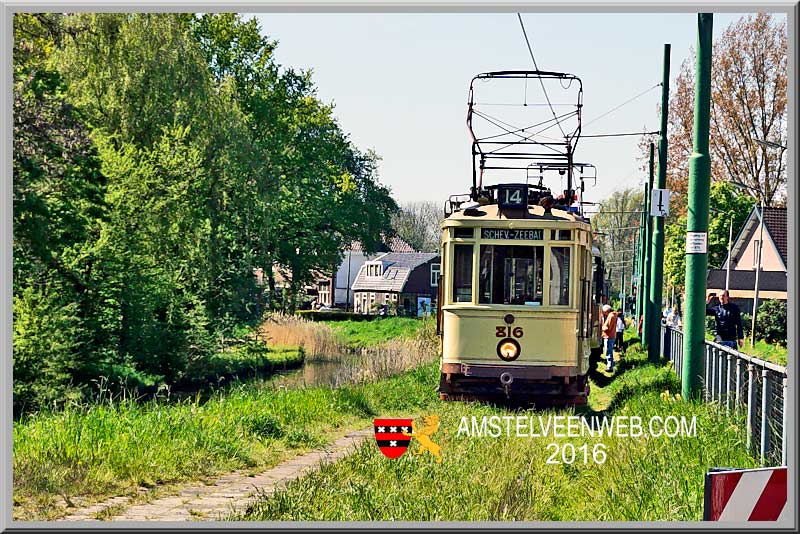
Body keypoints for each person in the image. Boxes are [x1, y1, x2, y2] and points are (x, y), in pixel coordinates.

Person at [601, 304, 618, 372]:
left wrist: (602, 327)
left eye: (604, 312)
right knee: (609, 351)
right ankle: (610, 365)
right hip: (612, 335)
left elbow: (608, 328)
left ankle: (609, 366)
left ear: (606, 311)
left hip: (608, 336)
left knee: (609, 351)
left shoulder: (610, 316)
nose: (604, 313)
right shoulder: (614, 315)